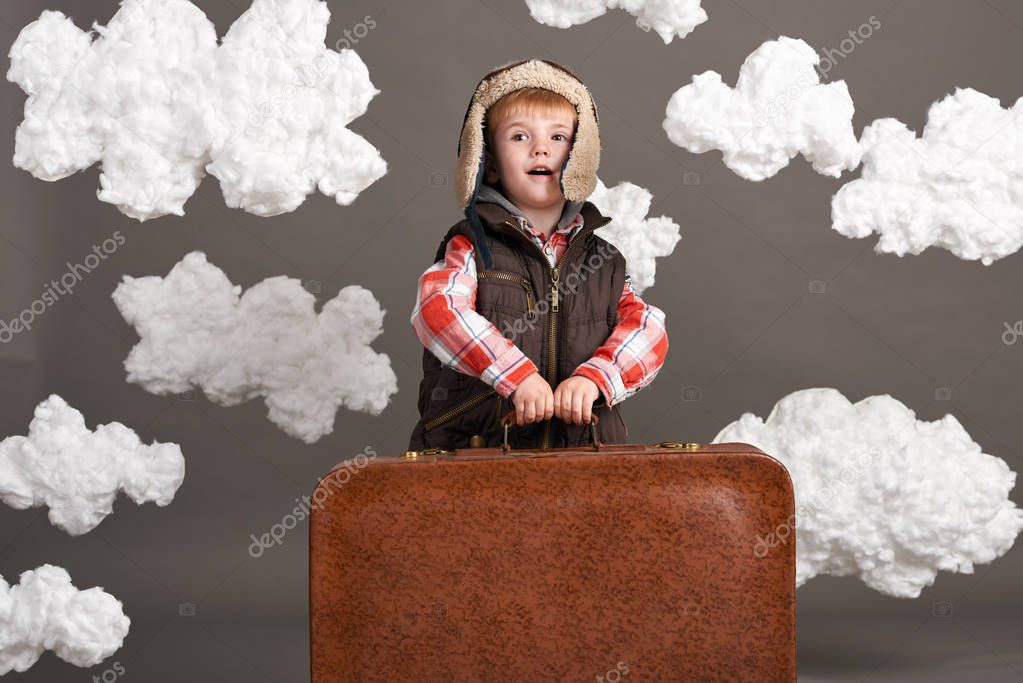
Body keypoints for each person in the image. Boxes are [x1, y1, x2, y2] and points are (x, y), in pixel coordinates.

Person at [408, 59, 668, 450]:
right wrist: (515, 376)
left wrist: (596, 377)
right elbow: (439, 311)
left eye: (559, 137)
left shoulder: (605, 262)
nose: (541, 148)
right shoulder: (471, 247)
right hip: (477, 456)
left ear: (581, 154)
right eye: (519, 137)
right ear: (489, 163)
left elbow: (648, 330)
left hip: (581, 459)